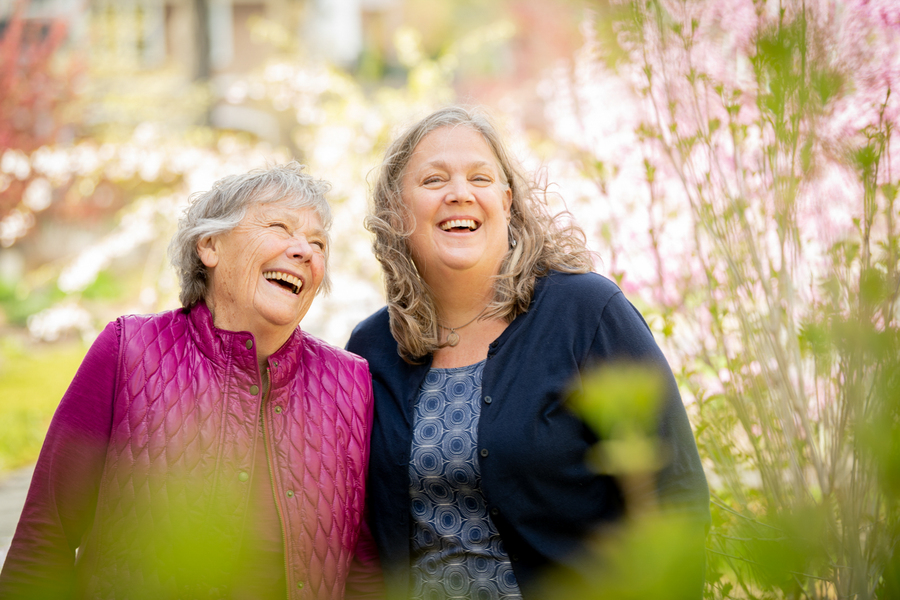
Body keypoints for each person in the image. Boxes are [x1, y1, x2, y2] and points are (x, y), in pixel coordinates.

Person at [346, 106, 710, 599]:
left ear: (508, 203)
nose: (460, 193)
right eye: (434, 179)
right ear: (396, 211)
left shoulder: (586, 314)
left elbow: (673, 492)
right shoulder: (372, 349)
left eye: (480, 177)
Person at [0, 162, 382, 599]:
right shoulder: (129, 350)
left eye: (318, 243)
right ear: (210, 245)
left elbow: (360, 566)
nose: (305, 251)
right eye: (279, 226)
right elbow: (45, 536)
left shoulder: (350, 383)